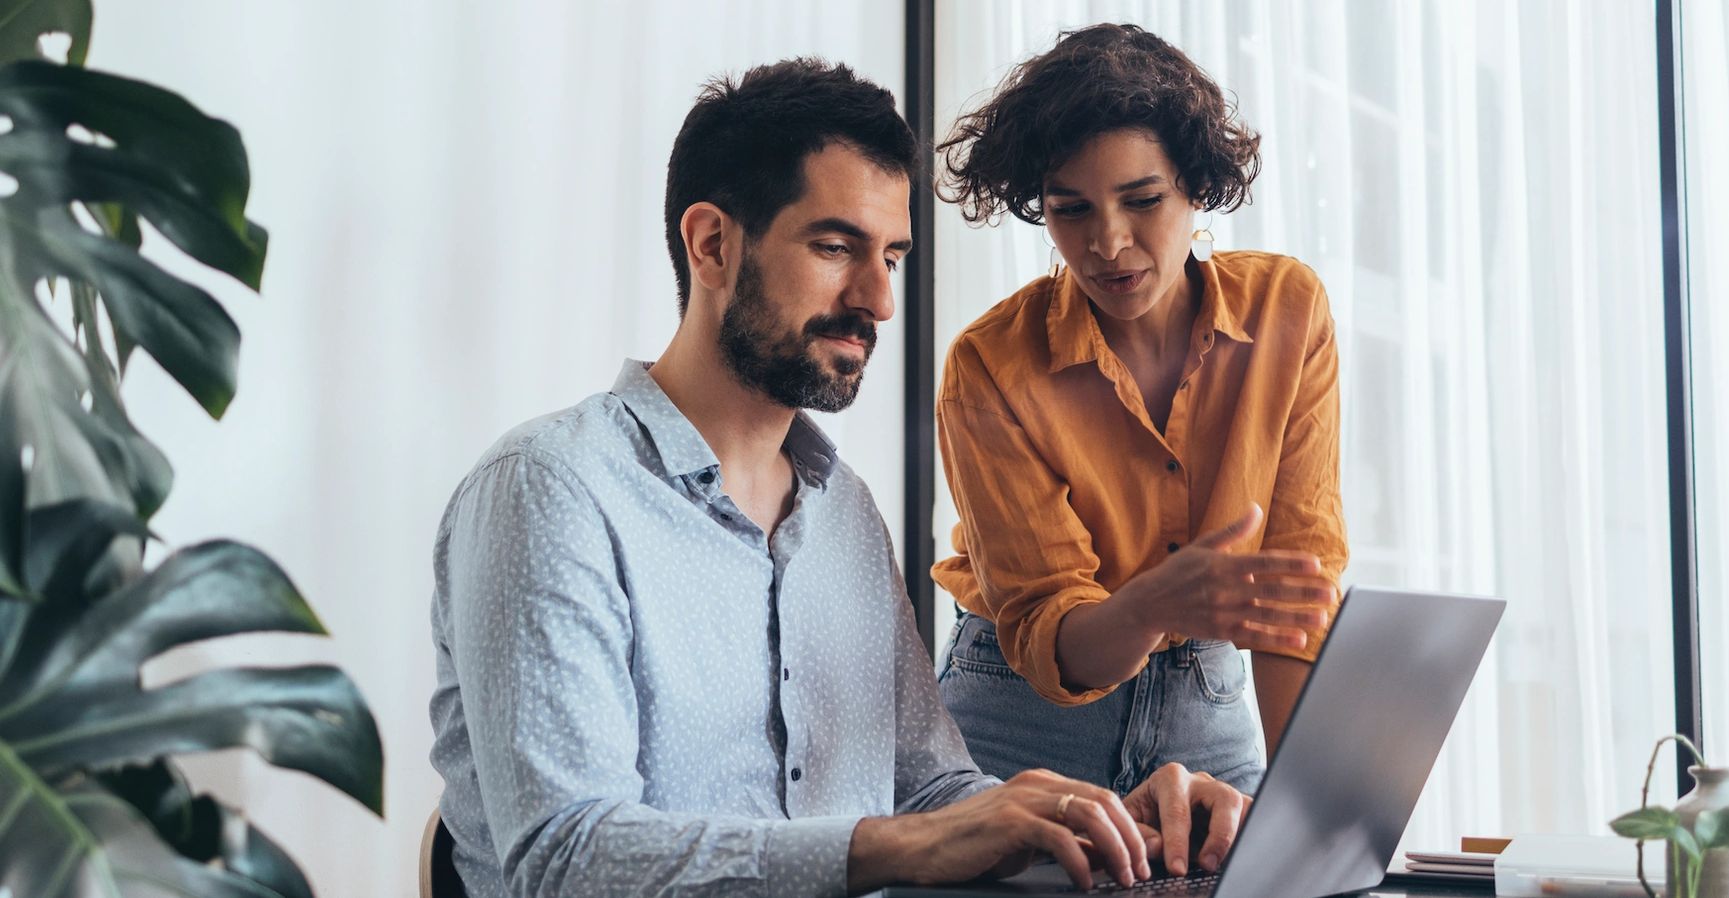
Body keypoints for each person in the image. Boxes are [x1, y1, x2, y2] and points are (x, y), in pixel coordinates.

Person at [428, 58, 1250, 898]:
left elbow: (931, 792)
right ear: (712, 244)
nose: (877, 300)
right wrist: (892, 849)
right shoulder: (551, 489)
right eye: (835, 247)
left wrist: (1105, 822)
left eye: (890, 257)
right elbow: (563, 855)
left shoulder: (843, 510)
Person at [930, 23, 1348, 796]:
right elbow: (1051, 633)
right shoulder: (989, 365)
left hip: (1208, 711)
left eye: (1141, 199)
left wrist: (1301, 814)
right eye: (1071, 210)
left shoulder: (1287, 310)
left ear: (1195, 185)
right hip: (1019, 720)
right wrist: (1155, 600)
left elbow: (1296, 586)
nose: (1107, 243)